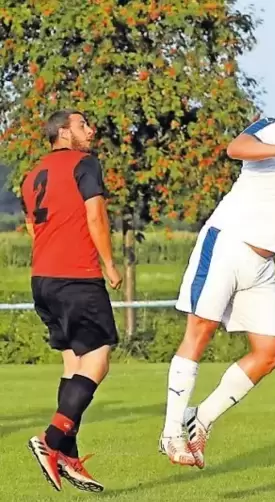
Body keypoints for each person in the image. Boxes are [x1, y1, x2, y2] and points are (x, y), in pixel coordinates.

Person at [158, 71, 275, 469]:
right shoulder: (269, 131)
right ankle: (170, 434)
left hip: (262, 262)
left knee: (269, 353)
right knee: (199, 331)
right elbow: (235, 148)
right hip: (228, 243)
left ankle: (199, 418)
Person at [21, 110, 122, 493]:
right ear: (63, 132)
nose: (90, 130)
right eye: (83, 125)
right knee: (98, 358)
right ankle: (51, 439)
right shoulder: (85, 163)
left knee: (73, 363)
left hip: (43, 279)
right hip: (77, 276)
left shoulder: (32, 175)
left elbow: (32, 227)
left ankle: (68, 455)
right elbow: (95, 216)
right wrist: (109, 265)